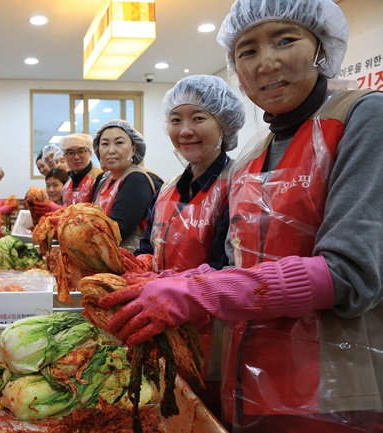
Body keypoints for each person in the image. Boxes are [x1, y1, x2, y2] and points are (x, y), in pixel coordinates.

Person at [100, 1, 383, 431]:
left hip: (332, 390)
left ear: (321, 46)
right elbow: (239, 264)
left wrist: (199, 292)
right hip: (245, 381)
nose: (266, 63)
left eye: (285, 40)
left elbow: (350, 273)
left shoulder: (363, 117)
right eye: (247, 51)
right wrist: (170, 281)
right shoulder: (253, 153)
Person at [135, 74, 245, 273]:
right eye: (175, 120)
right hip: (157, 300)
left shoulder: (240, 185)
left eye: (198, 118)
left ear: (224, 124)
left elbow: (227, 267)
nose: (185, 131)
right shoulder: (165, 191)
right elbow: (148, 249)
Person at [91, 119, 158, 251]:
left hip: (129, 262)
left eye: (119, 143)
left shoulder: (136, 179)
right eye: (104, 144)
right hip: (102, 256)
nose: (111, 150)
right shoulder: (103, 179)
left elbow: (118, 231)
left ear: (133, 149)